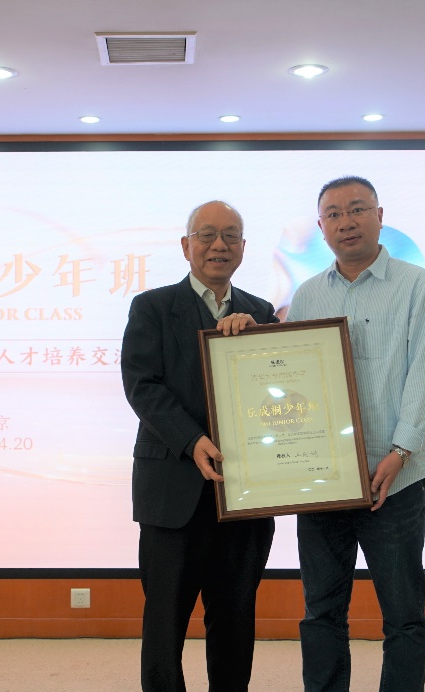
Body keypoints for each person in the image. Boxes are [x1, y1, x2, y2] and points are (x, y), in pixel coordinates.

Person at [220, 175, 425, 691]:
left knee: (404, 616)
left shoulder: (416, 285)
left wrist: (400, 451)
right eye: (334, 214)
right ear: (321, 227)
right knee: (321, 612)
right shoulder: (308, 295)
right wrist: (249, 344)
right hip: (324, 482)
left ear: (379, 216)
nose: (347, 222)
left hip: (396, 479)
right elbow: (289, 379)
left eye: (357, 209)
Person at [121, 200, 278, 692]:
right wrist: (192, 440)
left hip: (243, 495)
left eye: (231, 235)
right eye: (207, 235)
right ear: (186, 245)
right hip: (173, 490)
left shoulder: (262, 313)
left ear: (243, 247)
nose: (219, 245)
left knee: (235, 619)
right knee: (165, 621)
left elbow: (281, 390)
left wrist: (260, 341)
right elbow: (142, 385)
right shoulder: (151, 307)